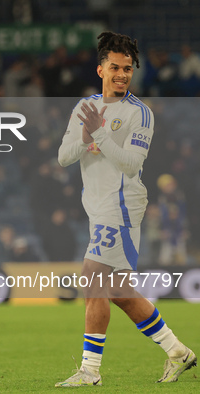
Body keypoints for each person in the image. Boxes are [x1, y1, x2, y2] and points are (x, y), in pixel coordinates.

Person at [56, 32, 196, 387]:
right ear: (101, 69)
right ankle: (178, 352)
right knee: (118, 291)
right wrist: (88, 136)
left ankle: (89, 372)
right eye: (115, 67)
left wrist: (99, 135)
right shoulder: (84, 108)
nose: (122, 74)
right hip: (97, 207)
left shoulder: (140, 113)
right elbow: (63, 157)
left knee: (92, 277)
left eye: (128, 69)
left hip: (121, 207)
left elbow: (132, 164)